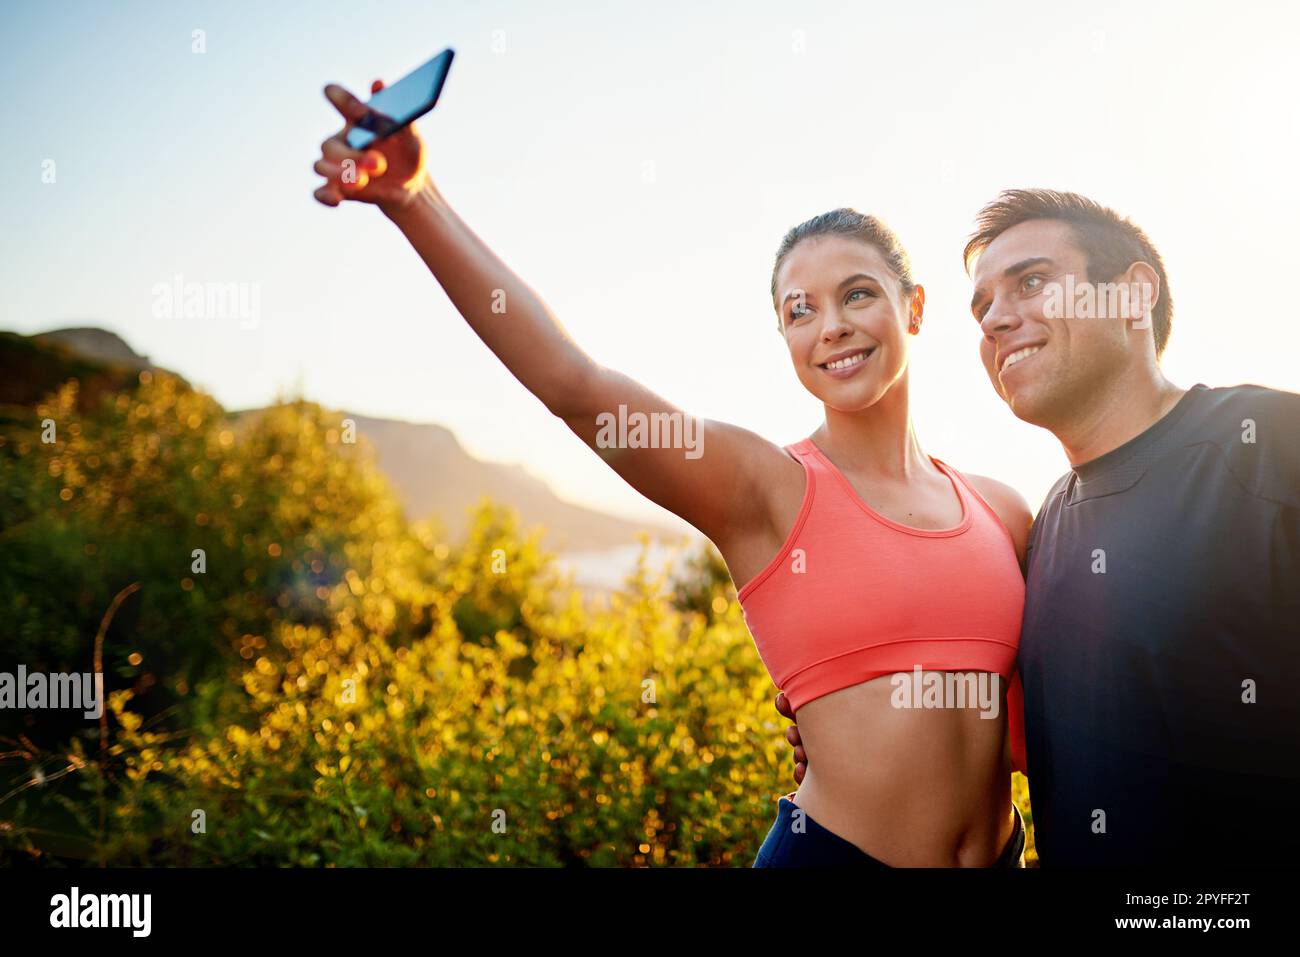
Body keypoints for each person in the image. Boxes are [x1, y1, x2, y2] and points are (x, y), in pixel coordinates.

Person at [312, 79, 1032, 867]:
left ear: (915, 308)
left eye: (857, 294)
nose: (832, 327)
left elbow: (1051, 708)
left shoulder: (1001, 509)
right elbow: (576, 388)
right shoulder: (764, 489)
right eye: (800, 310)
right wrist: (417, 199)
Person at [781, 188, 1300, 866]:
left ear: (1132, 294)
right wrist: (859, 722)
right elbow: (1048, 739)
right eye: (982, 306)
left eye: (1030, 282)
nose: (996, 318)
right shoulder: (1044, 525)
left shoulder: (1270, 446)